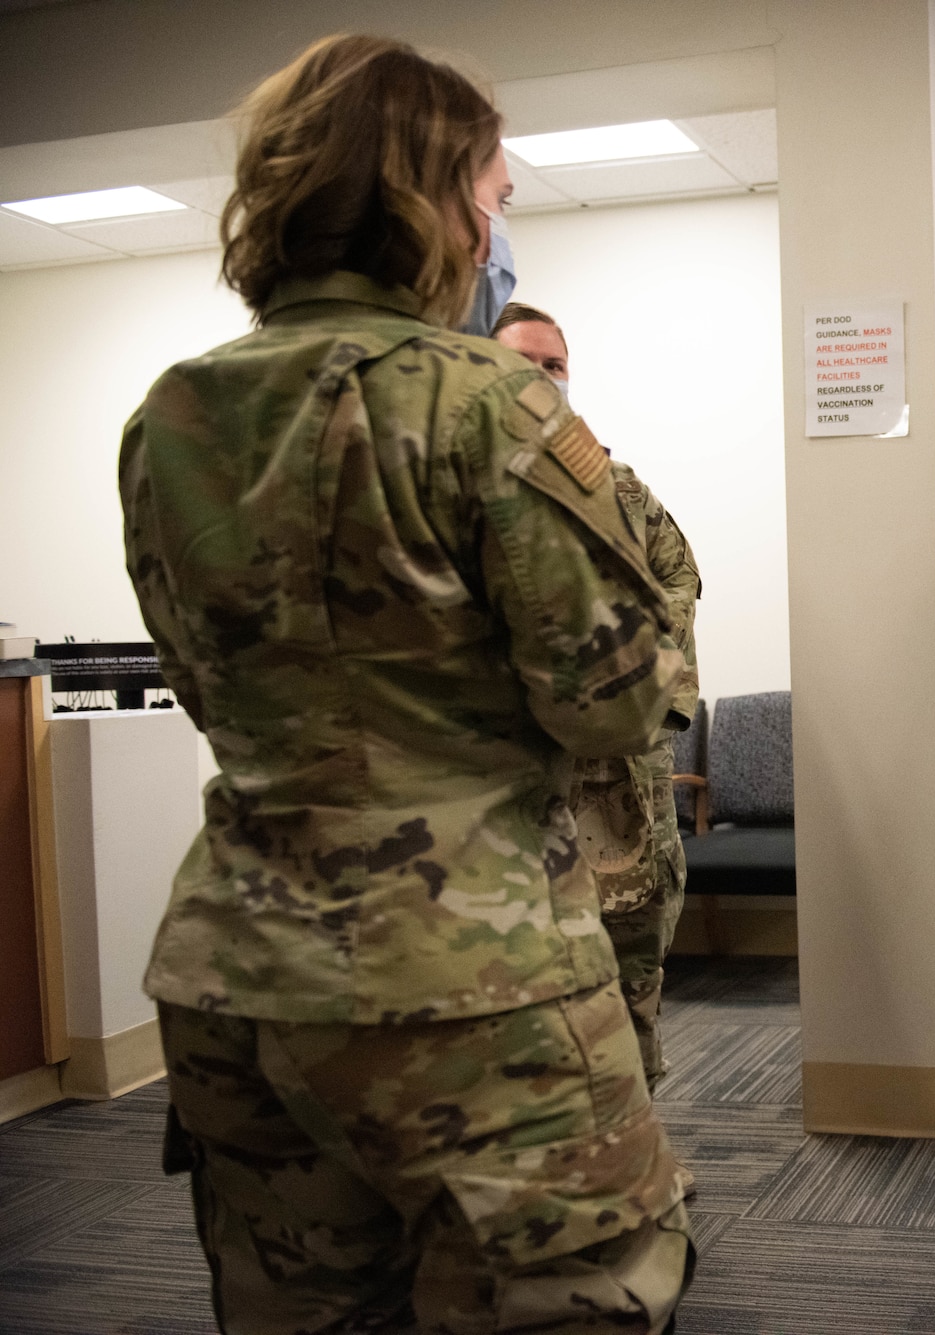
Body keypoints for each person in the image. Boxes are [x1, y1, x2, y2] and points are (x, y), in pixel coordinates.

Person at [121, 35, 696, 1332]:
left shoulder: (172, 415)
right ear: (425, 196)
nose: (500, 238)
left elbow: (202, 682)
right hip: (467, 983)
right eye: (494, 200)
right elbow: (607, 706)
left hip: (238, 976)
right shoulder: (490, 400)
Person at [493, 301, 703, 1092]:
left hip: (620, 776)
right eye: (525, 364)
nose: (545, 379)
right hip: (515, 779)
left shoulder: (614, 484)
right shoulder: (459, 488)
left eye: (555, 365)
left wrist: (654, 687)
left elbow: (680, 576)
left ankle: (640, 1149)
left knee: (631, 968)